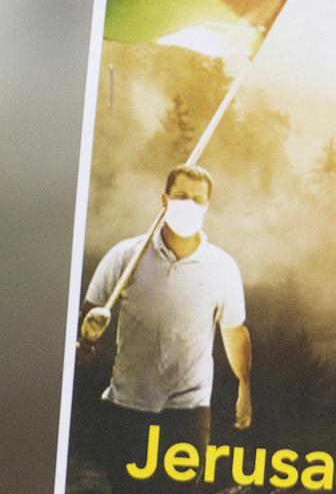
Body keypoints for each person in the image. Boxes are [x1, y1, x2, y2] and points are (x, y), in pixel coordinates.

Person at [79, 163, 251, 432]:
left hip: (189, 413)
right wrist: (82, 344)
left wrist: (245, 387)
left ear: (207, 207)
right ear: (165, 199)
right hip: (127, 405)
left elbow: (234, 331)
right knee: (120, 476)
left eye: (197, 200)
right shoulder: (125, 255)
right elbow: (88, 314)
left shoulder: (223, 266)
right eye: (181, 196)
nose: (189, 204)